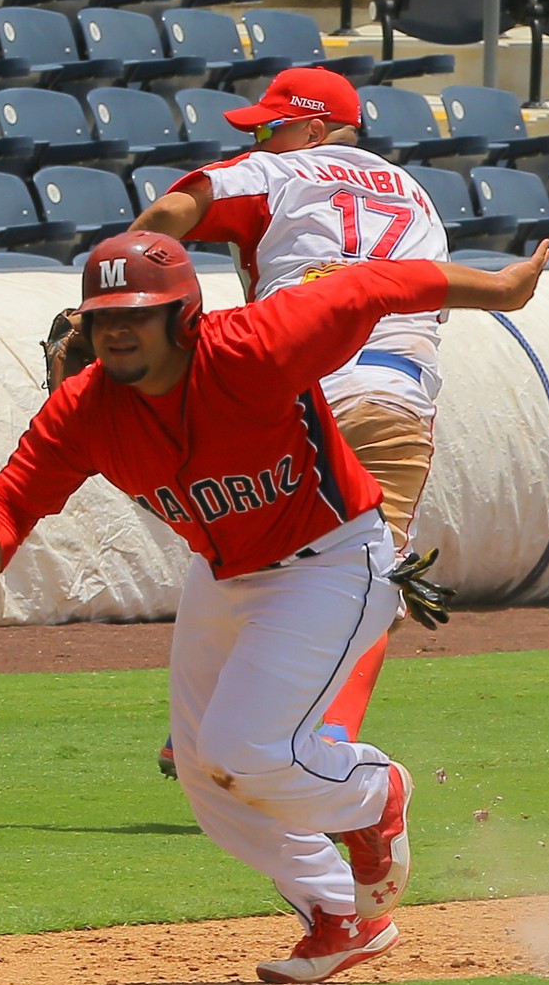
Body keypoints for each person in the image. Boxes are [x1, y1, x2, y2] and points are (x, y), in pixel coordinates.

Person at [0, 230, 549, 983]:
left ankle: (373, 793)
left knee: (243, 752)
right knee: (203, 773)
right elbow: (10, 496)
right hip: (224, 575)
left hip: (332, 560)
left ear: (184, 314)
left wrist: (502, 290)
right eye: (102, 316)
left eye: (137, 313)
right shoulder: (85, 409)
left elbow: (374, 287)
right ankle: (337, 915)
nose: (114, 330)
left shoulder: (252, 346)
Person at [130, 67, 452, 776]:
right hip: (391, 392)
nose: (264, 139)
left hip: (293, 386)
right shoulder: (419, 196)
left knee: (249, 533)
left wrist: (131, 285)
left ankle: (231, 723)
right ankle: (326, 741)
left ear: (311, 128)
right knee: (373, 572)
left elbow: (177, 209)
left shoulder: (283, 170)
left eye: (272, 126)